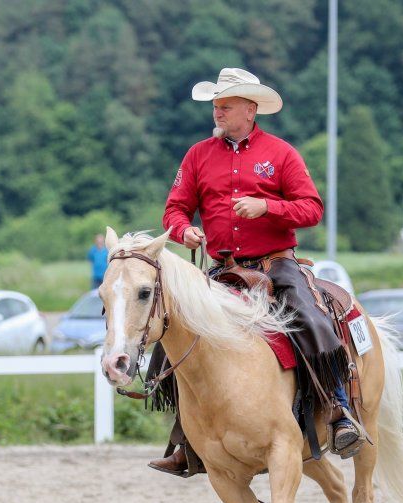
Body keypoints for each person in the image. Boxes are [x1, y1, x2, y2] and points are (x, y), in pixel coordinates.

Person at [148, 67, 360, 475]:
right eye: (215, 106)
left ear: (250, 109)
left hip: (276, 264)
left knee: (312, 319)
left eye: (225, 105)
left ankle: (339, 410)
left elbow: (312, 208)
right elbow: (174, 208)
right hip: (222, 270)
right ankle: (185, 438)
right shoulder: (197, 155)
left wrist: (269, 207)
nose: (217, 112)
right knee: (171, 332)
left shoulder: (281, 153)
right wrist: (184, 230)